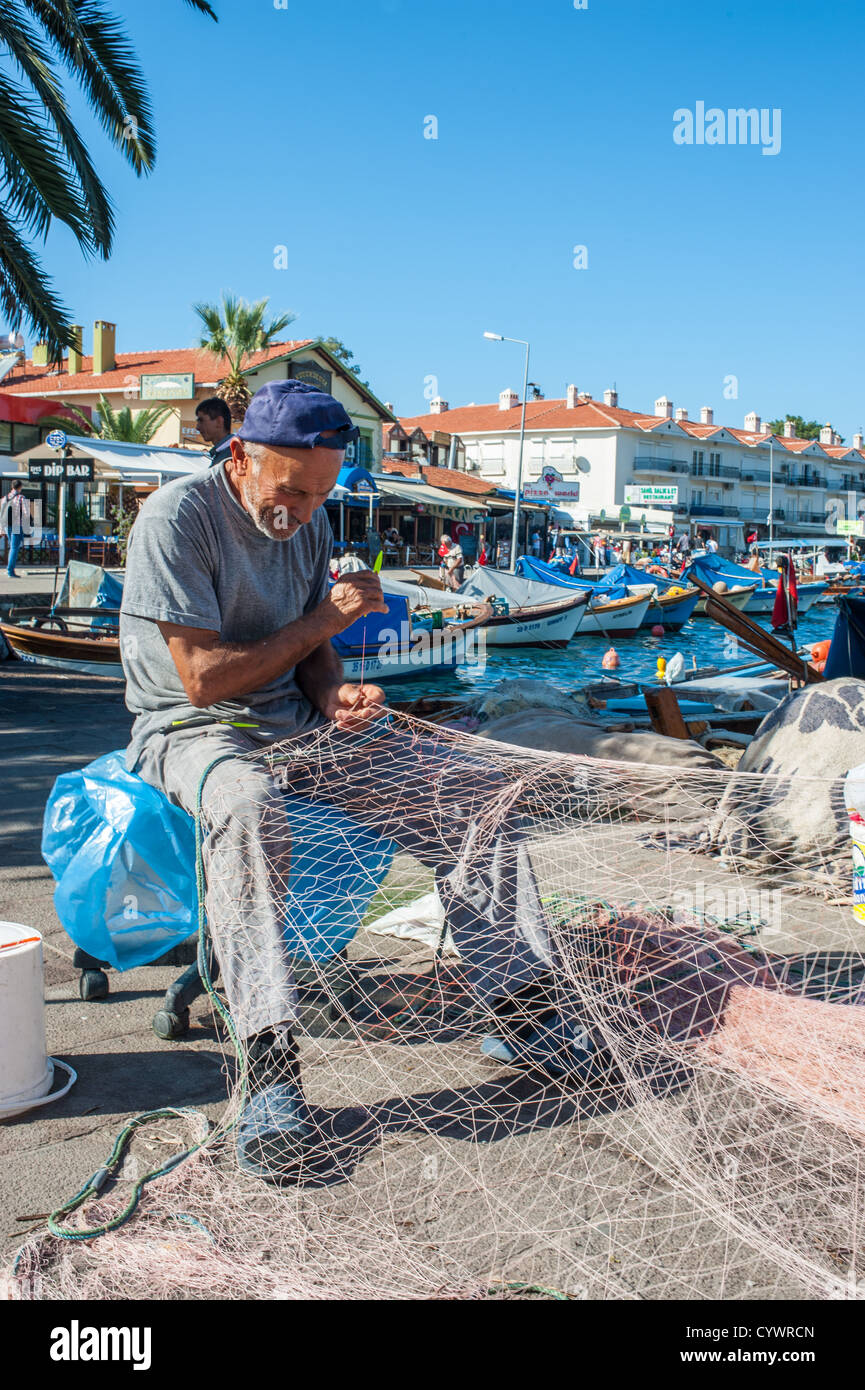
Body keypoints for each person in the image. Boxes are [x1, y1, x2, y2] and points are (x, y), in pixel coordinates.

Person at [120, 379, 557, 1183]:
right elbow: (203, 681)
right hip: (193, 729)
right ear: (241, 455)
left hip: (296, 718)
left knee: (467, 793)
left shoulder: (309, 520)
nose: (302, 507)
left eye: (320, 491)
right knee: (248, 808)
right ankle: (269, 1065)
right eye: (289, 488)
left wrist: (333, 691)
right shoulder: (175, 519)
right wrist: (327, 620)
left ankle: (522, 1011)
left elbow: (311, 653)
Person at [2, 479, 30, 577]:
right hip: (16, 525)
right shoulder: (21, 497)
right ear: (20, 487)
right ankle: (10, 571)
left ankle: (9, 569)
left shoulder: (5, 498)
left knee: (12, 547)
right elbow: (26, 513)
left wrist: (1, 529)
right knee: (15, 548)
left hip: (6, 525)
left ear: (12, 486)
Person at [196, 397, 234, 468]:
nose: (197, 427)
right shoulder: (224, 454)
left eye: (201, 421)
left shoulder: (231, 456)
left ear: (219, 421)